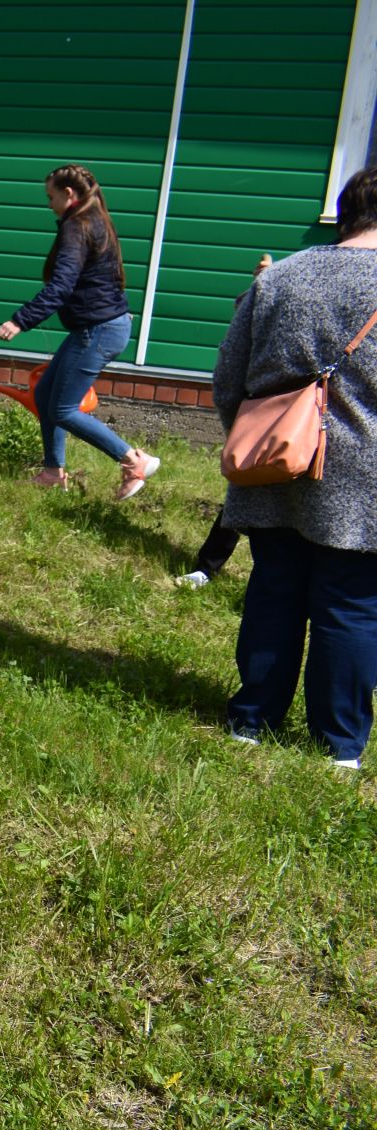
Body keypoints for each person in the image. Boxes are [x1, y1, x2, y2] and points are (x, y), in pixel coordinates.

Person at [216, 167, 377, 769]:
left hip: (274, 463)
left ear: (347, 210)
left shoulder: (280, 276)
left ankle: (250, 721)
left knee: (274, 591)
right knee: (351, 605)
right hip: (366, 480)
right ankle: (339, 749)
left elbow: (228, 378)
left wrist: (258, 440)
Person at [0, 163, 158, 499]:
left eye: (51, 196)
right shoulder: (95, 220)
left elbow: (61, 286)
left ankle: (133, 460)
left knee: (64, 409)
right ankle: (53, 472)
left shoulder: (78, 226)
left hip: (98, 331)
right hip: (99, 327)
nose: (49, 204)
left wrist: (20, 320)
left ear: (69, 194)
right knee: (45, 396)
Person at [178, 254, 274, 588]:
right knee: (246, 482)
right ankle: (208, 567)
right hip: (281, 410)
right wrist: (263, 286)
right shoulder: (305, 272)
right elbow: (244, 327)